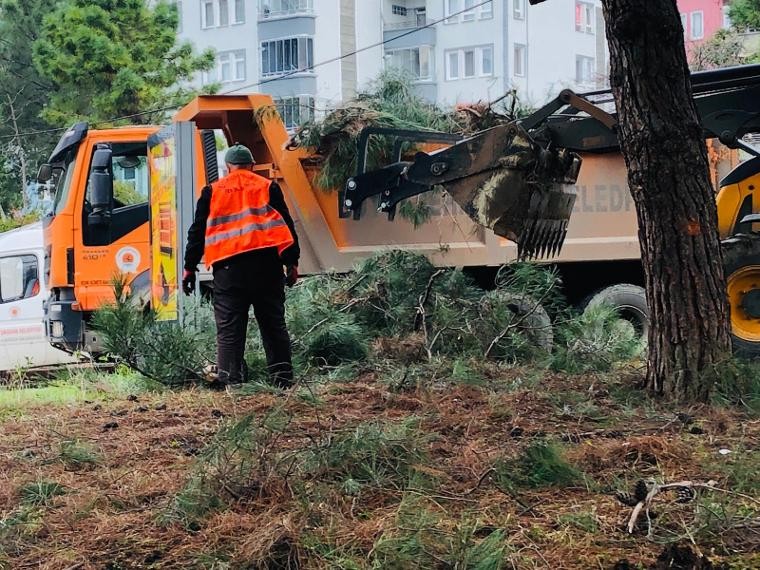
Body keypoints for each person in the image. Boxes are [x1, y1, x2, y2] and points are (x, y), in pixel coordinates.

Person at [182, 143, 300, 389]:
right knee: (273, 325)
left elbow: (197, 232)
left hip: (228, 270)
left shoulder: (212, 191)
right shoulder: (267, 186)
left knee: (229, 329)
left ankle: (231, 382)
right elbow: (286, 225)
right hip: (267, 267)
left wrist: (189, 267)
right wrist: (291, 263)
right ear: (252, 166)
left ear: (227, 168)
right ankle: (283, 382)